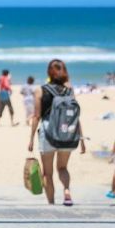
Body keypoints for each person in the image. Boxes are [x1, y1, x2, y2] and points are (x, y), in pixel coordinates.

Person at [27, 59, 86, 205]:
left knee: (48, 173)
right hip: (67, 134)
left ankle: (51, 203)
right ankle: (66, 190)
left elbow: (36, 116)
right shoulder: (69, 91)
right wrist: (81, 139)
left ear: (49, 73)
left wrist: (31, 139)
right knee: (63, 168)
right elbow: (75, 116)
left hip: (48, 134)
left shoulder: (41, 90)